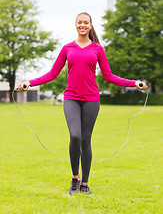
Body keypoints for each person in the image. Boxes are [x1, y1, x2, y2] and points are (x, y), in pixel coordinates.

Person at [17, 12, 148, 195]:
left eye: (86, 22)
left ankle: (85, 183)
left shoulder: (97, 49)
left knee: (86, 140)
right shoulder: (67, 48)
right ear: (75, 25)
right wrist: (29, 83)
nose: (83, 25)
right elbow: (52, 74)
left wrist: (133, 83)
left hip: (91, 99)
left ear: (90, 25)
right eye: (80, 22)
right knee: (75, 136)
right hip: (71, 98)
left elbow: (109, 76)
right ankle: (75, 177)